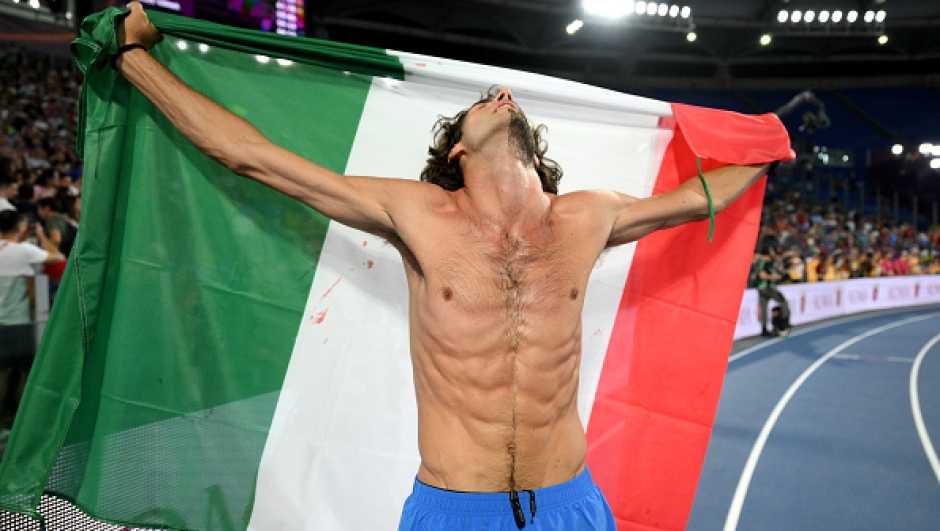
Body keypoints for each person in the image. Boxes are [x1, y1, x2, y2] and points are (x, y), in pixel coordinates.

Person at [113, 3, 786, 528]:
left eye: (506, 95)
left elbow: (698, 199)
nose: (501, 94)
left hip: (571, 505)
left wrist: (768, 143)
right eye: (481, 101)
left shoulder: (588, 215)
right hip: (456, 512)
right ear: (457, 150)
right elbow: (253, 157)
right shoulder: (418, 213)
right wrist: (133, 58)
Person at [0, 209, 63, 442]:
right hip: (18, 322)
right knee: (25, 372)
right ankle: (21, 425)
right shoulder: (24, 250)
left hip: (1, 320)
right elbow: (57, 256)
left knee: (3, 374)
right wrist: (41, 236)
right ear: (19, 227)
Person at [756, 249, 791, 337]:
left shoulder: (760, 263)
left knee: (764, 309)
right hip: (768, 288)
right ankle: (783, 324)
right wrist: (773, 277)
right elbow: (762, 275)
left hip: (761, 288)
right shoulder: (764, 263)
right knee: (783, 302)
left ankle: (764, 330)